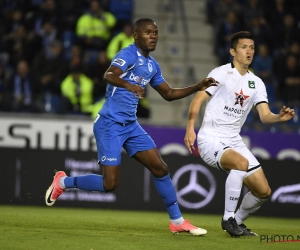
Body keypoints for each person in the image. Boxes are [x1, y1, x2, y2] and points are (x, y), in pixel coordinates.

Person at [45, 18, 218, 236]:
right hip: (110, 124)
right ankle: (62, 181)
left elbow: (169, 94)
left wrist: (197, 86)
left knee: (160, 168)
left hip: (130, 126)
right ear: (136, 35)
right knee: (110, 185)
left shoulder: (152, 65)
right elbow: (108, 74)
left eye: (155, 32)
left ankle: (177, 221)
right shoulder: (128, 54)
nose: (153, 36)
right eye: (148, 32)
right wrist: (128, 84)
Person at [184, 31, 295, 237]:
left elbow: (264, 116)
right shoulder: (220, 73)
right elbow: (198, 100)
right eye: (244, 47)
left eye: (252, 47)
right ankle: (228, 219)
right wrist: (190, 127)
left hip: (234, 141)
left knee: (263, 191)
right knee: (241, 164)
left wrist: (279, 117)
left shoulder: (257, 83)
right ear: (233, 51)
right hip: (211, 138)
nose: (249, 51)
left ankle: (237, 222)